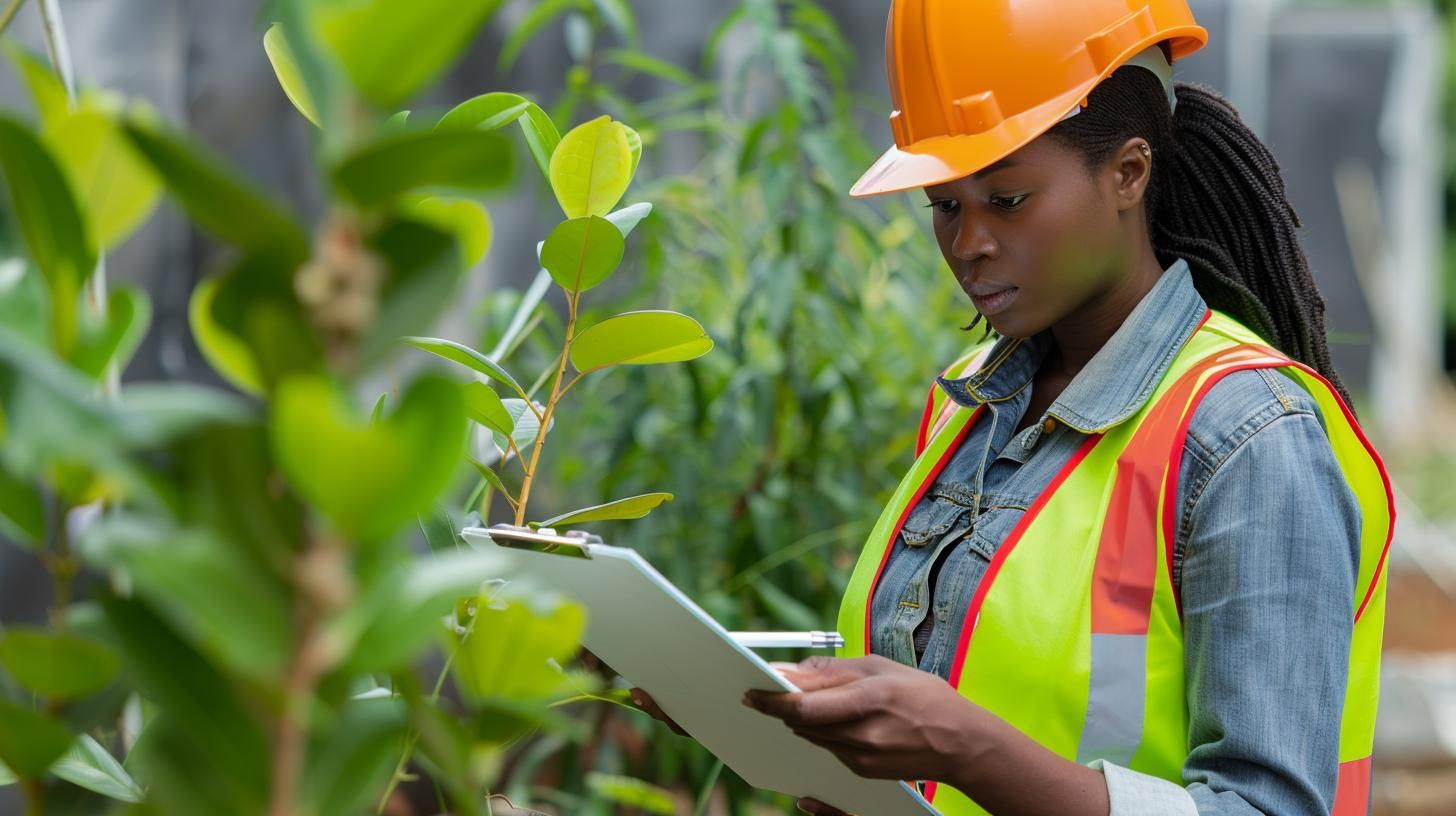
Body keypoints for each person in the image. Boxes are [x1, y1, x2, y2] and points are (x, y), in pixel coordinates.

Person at [633, 2, 1394, 814]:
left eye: (1008, 199)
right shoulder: (969, 404)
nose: (969, 244)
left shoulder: (1246, 436)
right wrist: (747, 709)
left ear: (1129, 173)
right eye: (946, 204)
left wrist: (964, 747)